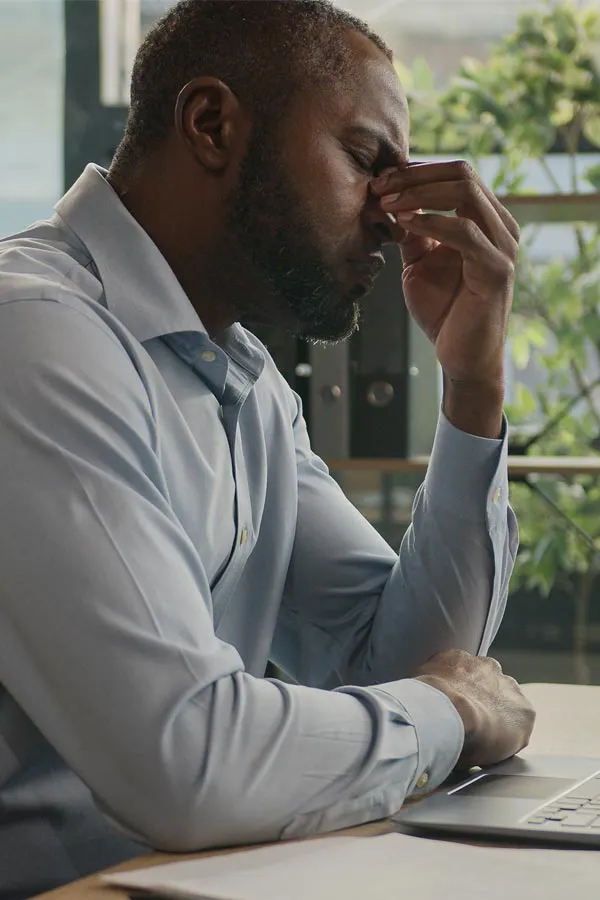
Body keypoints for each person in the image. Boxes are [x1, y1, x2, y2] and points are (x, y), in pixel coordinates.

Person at [0, 1, 534, 896]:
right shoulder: (34, 339)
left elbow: (406, 664)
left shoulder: (244, 386)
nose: (392, 218)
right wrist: (449, 712)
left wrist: (472, 387)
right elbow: (189, 763)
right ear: (211, 125)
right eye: (367, 161)